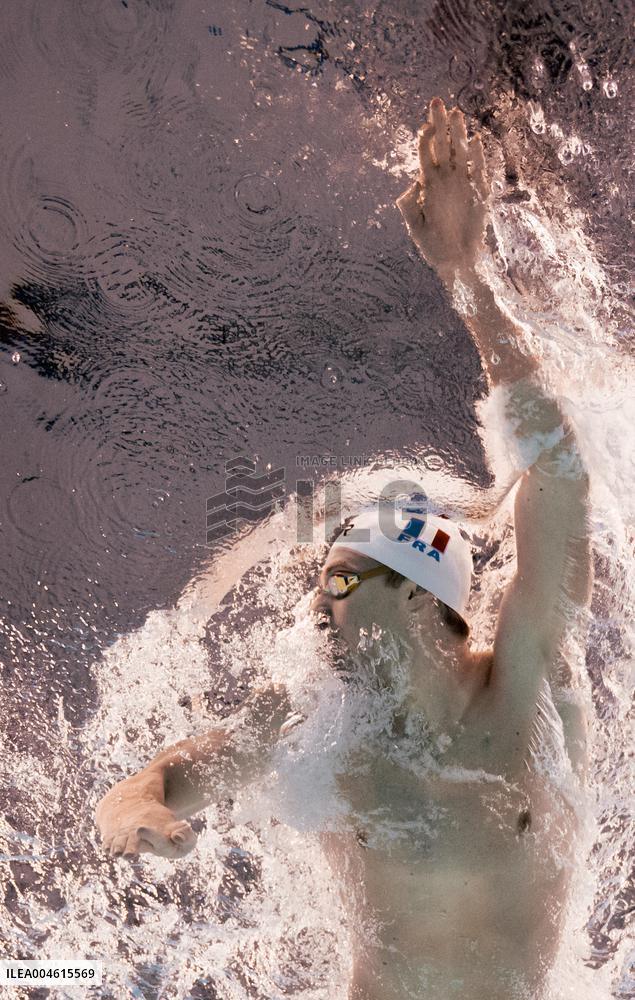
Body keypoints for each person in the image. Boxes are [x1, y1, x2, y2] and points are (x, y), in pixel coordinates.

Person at [95, 98, 592, 998]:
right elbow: (167, 775)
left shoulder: (523, 685)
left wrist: (466, 278)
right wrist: (139, 816)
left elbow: (557, 478)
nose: (312, 611)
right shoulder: (316, 721)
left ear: (413, 591)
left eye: (335, 583)